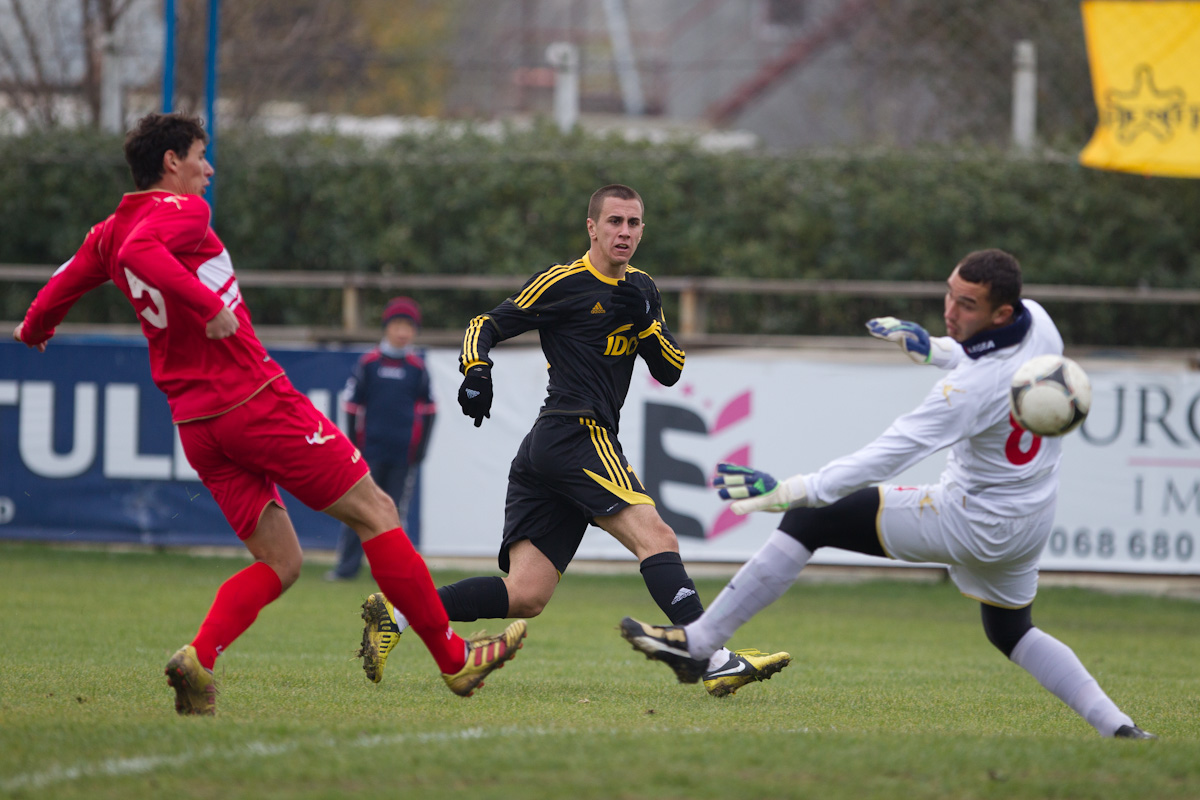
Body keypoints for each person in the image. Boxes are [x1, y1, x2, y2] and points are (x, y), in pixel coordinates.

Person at [12, 112, 525, 714]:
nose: (209, 169)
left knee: (281, 561)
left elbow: (70, 277)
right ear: (171, 162)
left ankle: (198, 659)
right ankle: (453, 657)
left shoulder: (108, 230)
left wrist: (35, 324)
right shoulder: (181, 212)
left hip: (196, 425)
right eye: (201, 156)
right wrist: (207, 306)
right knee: (376, 510)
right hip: (253, 400)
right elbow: (144, 251)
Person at [620, 249, 1156, 738]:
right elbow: (990, 359)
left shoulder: (967, 394)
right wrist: (936, 348)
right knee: (1011, 630)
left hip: (969, 520)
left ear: (999, 312)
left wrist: (791, 490)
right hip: (1030, 521)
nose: (950, 309)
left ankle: (699, 644)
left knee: (814, 517)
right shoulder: (1038, 324)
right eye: (950, 293)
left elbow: (887, 453)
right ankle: (1119, 728)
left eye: (965, 305)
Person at [356, 184, 790, 698]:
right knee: (658, 537)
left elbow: (670, 370)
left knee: (526, 595)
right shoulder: (563, 282)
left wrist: (645, 323)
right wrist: (476, 371)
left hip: (553, 447)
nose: (624, 232)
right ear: (592, 227)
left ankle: (399, 614)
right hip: (574, 431)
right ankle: (714, 657)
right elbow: (485, 324)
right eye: (614, 222)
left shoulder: (644, 289)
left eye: (633, 223)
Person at [325, 296, 435, 581]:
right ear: (386, 327)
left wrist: (420, 450)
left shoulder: (417, 368)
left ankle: (391, 574)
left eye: (408, 326)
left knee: (394, 514)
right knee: (357, 511)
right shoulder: (369, 364)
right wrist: (352, 447)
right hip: (368, 454)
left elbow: (430, 410)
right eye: (397, 324)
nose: (402, 332)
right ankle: (346, 569)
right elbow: (351, 407)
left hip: (402, 456)